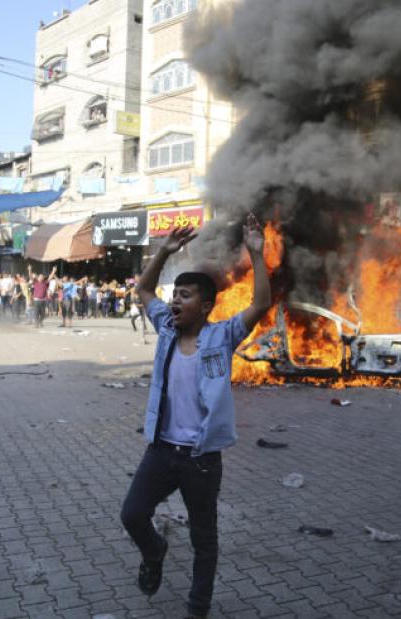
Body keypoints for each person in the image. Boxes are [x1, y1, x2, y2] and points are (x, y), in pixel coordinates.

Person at [120, 216, 271, 619]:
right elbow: (144, 290)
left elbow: (260, 304)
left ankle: (198, 608)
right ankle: (154, 552)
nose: (174, 302)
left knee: (204, 538)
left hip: (200, 458)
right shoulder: (167, 330)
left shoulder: (222, 337)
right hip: (161, 450)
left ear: (205, 306)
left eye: (184, 296)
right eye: (175, 295)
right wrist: (163, 251)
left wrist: (257, 253)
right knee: (132, 514)